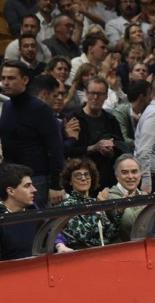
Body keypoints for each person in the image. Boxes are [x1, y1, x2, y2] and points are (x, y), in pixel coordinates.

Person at [0, 60, 64, 208]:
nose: (5, 82)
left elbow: (55, 149)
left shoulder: (41, 109)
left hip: (37, 180)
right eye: (3, 78)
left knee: (38, 226)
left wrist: (56, 185)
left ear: (25, 80)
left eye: (11, 78)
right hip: (10, 179)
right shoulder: (8, 106)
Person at [107, 154, 155, 242]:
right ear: (117, 176)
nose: (130, 176)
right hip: (120, 252)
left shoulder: (144, 196)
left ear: (140, 174)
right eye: (125, 172)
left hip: (143, 250)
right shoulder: (110, 196)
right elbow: (131, 223)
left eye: (134, 171)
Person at [54, 158, 118, 252]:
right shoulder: (66, 206)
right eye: (78, 175)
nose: (83, 178)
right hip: (81, 255)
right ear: (70, 181)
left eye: (87, 175)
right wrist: (97, 208)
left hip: (103, 253)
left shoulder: (95, 202)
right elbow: (83, 235)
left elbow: (110, 234)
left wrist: (119, 213)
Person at [0, 163, 40, 261]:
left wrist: (59, 245)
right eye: (27, 186)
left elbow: (51, 232)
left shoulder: (34, 210)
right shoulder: (2, 219)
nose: (34, 190)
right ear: (11, 191)